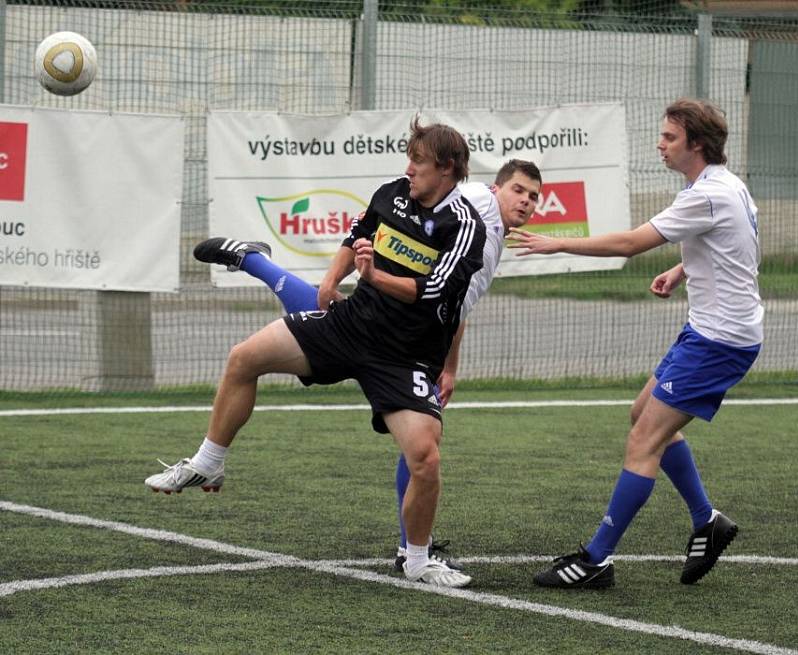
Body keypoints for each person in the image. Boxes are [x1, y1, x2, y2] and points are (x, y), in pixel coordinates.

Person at [145, 118, 487, 588]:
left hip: (404, 356)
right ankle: (209, 462)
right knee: (244, 357)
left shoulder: (465, 226)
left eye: (418, 161)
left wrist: (372, 277)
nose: (408, 168)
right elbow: (357, 235)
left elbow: (429, 294)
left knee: (424, 458)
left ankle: (418, 559)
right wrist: (331, 280)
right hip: (349, 326)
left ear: (446, 168)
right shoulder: (393, 192)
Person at [192, 159, 543, 574]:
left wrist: (449, 366)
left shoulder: (493, 236)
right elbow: (416, 230)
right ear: (495, 187)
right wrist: (367, 273)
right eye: (519, 190)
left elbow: (454, 304)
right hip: (388, 324)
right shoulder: (476, 203)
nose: (526, 201)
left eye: (534, 196)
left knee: (421, 442)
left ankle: (410, 545)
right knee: (306, 324)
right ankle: (253, 261)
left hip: (414, 338)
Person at [507, 98, 763, 589]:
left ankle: (595, 560)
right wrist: (682, 267)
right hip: (710, 330)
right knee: (641, 415)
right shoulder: (725, 187)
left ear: (697, 144)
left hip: (719, 340)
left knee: (643, 441)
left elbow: (629, 244)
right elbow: (733, 246)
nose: (660, 144)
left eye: (669, 137)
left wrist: (557, 243)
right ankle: (706, 520)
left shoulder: (706, 194)